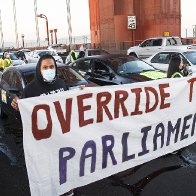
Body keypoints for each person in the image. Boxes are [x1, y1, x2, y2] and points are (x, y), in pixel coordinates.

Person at [11, 54, 79, 196]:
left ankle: (68, 191)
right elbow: (25, 118)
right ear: (39, 70)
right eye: (45, 67)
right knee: (49, 175)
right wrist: (18, 108)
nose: (49, 69)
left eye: (51, 67)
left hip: (62, 138)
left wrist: (83, 95)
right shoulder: (30, 90)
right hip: (44, 142)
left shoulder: (61, 84)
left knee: (65, 170)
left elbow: (70, 107)